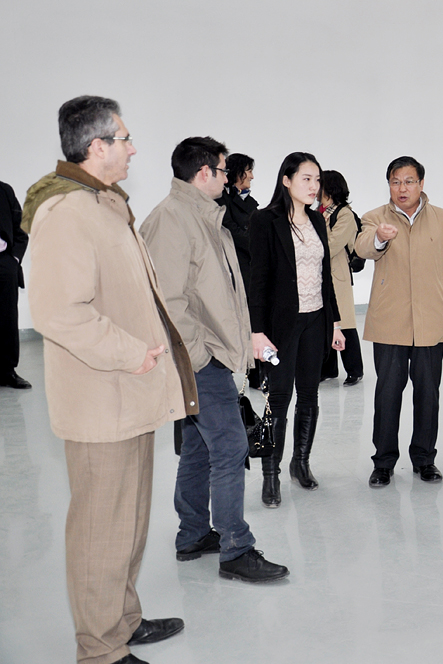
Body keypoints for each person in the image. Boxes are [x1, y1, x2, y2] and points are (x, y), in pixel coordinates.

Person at [24, 95, 197, 664]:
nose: (133, 148)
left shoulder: (104, 203)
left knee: (129, 522)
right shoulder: (66, 213)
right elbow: (58, 313)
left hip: (131, 394)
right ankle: (99, 650)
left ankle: (122, 621)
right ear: (96, 147)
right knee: (101, 530)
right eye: (124, 139)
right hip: (103, 400)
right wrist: (131, 353)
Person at [140, 136, 289, 583]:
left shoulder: (202, 216)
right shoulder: (172, 220)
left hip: (211, 353)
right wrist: (201, 356)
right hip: (198, 360)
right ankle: (235, 549)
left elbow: (215, 293)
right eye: (224, 171)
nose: (228, 178)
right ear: (204, 172)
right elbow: (168, 302)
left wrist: (243, 338)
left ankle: (192, 534)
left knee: (200, 446)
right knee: (229, 446)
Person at [355, 156, 443, 487]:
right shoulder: (374, 218)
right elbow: (362, 248)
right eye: (395, 182)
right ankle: (383, 463)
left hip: (432, 320)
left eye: (408, 181)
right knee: (387, 395)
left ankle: (424, 459)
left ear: (421, 184)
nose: (401, 188)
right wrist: (380, 237)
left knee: (428, 394)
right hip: (390, 322)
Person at [248, 152, 345, 507]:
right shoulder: (265, 220)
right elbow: (257, 281)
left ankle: (300, 463)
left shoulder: (318, 220)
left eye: (317, 180)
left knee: (309, 394)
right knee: (278, 398)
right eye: (306, 178)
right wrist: (257, 331)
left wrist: (335, 323)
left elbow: (325, 277)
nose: (314, 186)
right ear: (286, 180)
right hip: (280, 326)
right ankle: (270, 475)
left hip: (315, 320)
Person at [217, 154, 261, 388]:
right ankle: (248, 370)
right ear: (237, 173)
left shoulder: (248, 201)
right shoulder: (221, 201)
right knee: (241, 321)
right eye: (248, 171)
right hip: (236, 269)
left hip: (252, 267)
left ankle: (257, 373)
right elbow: (231, 231)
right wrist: (258, 244)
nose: (252, 176)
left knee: (255, 319)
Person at [319, 169, 364, 385]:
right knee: (324, 323)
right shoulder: (318, 212)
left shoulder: (344, 215)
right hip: (320, 275)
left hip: (338, 276)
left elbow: (331, 245)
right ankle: (328, 369)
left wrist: (318, 229)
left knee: (344, 322)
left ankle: (355, 370)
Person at [0, 179, 30, 389]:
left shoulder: (4, 191)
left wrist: (14, 260)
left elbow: (21, 227)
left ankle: (7, 371)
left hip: (4, 263)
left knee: (7, 317)